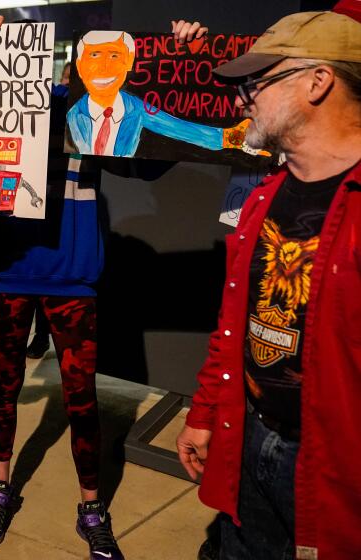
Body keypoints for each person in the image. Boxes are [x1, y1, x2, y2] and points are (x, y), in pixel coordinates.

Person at [0, 13, 203, 560]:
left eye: (111, 56)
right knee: (4, 386)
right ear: (73, 58)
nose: (100, 66)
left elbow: (157, 156)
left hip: (73, 279)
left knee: (82, 399)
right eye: (91, 55)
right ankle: (0, 487)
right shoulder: (23, 102)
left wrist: (178, 67)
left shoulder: (110, 114)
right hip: (10, 268)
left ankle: (91, 507)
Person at [175, 9, 361, 560]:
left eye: (258, 81)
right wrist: (206, 411)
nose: (241, 97)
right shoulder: (261, 198)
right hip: (252, 436)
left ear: (318, 81)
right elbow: (234, 324)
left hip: (334, 468)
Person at [66, 30, 255, 157]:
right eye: (94, 55)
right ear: (79, 66)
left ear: (129, 63)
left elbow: (180, 129)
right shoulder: (70, 114)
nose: (104, 67)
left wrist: (233, 138)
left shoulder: (136, 109)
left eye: (115, 56)